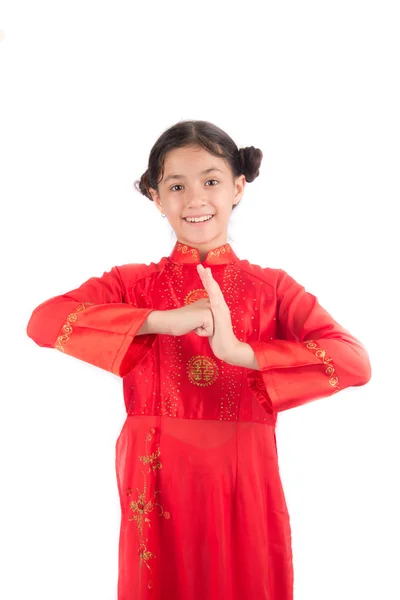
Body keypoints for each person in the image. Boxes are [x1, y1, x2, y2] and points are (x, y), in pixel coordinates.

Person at [26, 119, 371, 600]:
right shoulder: (132, 284)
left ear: (238, 187)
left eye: (211, 181)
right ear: (155, 196)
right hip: (157, 466)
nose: (195, 199)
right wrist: (161, 321)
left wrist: (242, 353)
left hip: (243, 470)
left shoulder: (273, 288)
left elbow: (354, 361)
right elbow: (43, 322)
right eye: (176, 185)